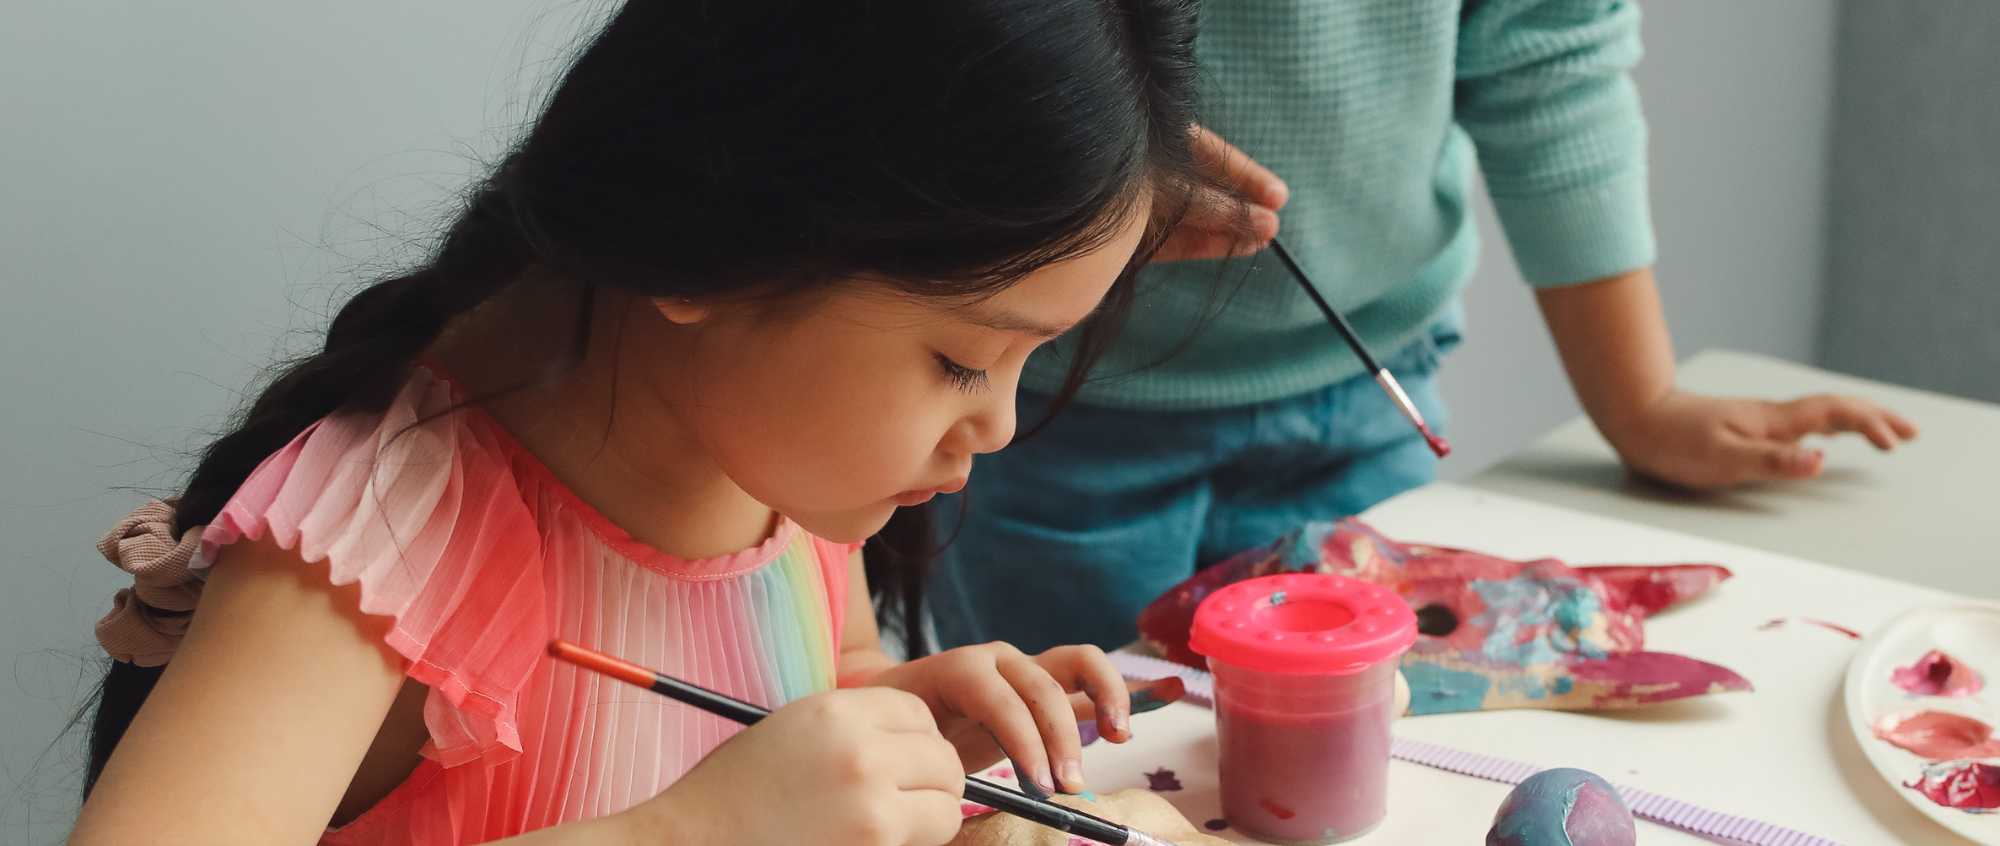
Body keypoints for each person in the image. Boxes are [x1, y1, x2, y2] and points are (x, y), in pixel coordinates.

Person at [68, 1, 1206, 844]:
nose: (998, 425)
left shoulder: (773, 464)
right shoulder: (381, 542)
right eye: (961, 357)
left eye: (1030, 359)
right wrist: (683, 834)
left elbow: (810, 678)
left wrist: (890, 738)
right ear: (711, 239)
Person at [929, 0, 1921, 653]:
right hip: (1052, 415)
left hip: (1368, 396)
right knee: (1085, 772)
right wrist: (1092, 158)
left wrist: (1641, 402)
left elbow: (1548, 58)